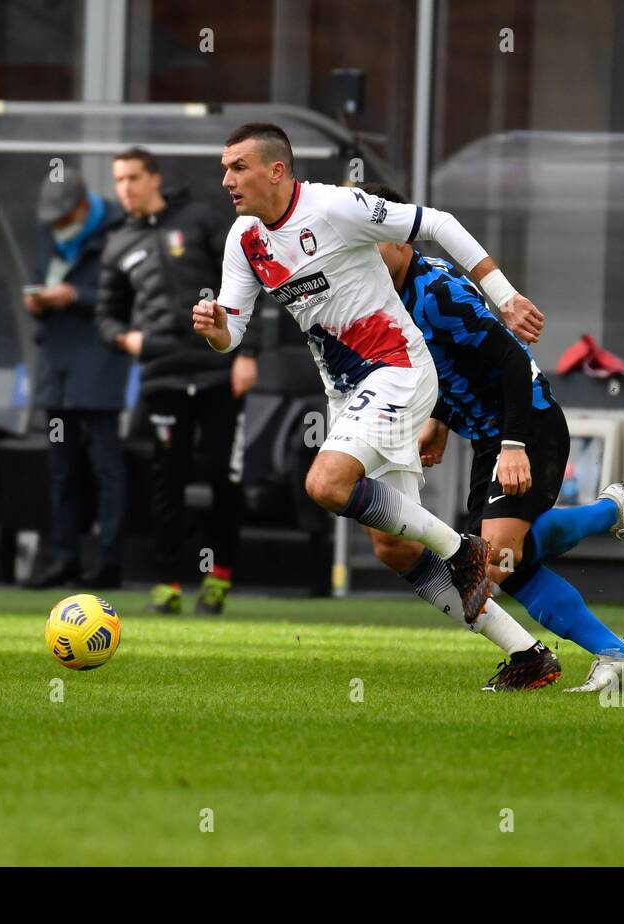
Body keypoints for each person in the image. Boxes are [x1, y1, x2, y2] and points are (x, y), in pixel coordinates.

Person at [192, 122, 555, 683]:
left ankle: (461, 548)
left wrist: (504, 296)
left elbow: (438, 223)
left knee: (326, 485)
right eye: (225, 167)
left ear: (276, 170)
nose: (226, 180)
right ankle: (527, 654)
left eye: (238, 167)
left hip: (397, 369)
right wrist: (216, 326)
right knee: (393, 547)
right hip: (347, 393)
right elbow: (232, 334)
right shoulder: (243, 240)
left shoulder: (336, 207)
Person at [361, 183, 624, 692]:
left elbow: (510, 360)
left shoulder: (437, 292)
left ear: (401, 239)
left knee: (491, 565)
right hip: (489, 439)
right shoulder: (388, 296)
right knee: (510, 567)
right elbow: (449, 364)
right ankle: (619, 655)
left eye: (370, 238)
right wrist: (439, 419)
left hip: (530, 427)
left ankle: (609, 514)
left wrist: (513, 444)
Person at [97, 147, 258, 615]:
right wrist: (126, 340)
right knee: (166, 484)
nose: (124, 188)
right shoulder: (118, 244)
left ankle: (219, 579)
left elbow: (245, 282)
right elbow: (105, 316)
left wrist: (246, 354)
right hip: (162, 379)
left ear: (154, 179)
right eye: (118, 180)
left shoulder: (200, 219)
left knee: (223, 479)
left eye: (132, 177)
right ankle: (167, 584)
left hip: (218, 373)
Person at [25, 167, 129, 590]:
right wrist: (39, 303)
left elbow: (129, 296)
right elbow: (40, 276)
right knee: (61, 469)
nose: (56, 228)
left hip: (101, 363)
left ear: (82, 208)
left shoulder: (121, 230)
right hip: (57, 366)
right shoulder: (54, 236)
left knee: (106, 467)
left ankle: (108, 563)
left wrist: (76, 297)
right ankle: (63, 558)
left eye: (62, 219)